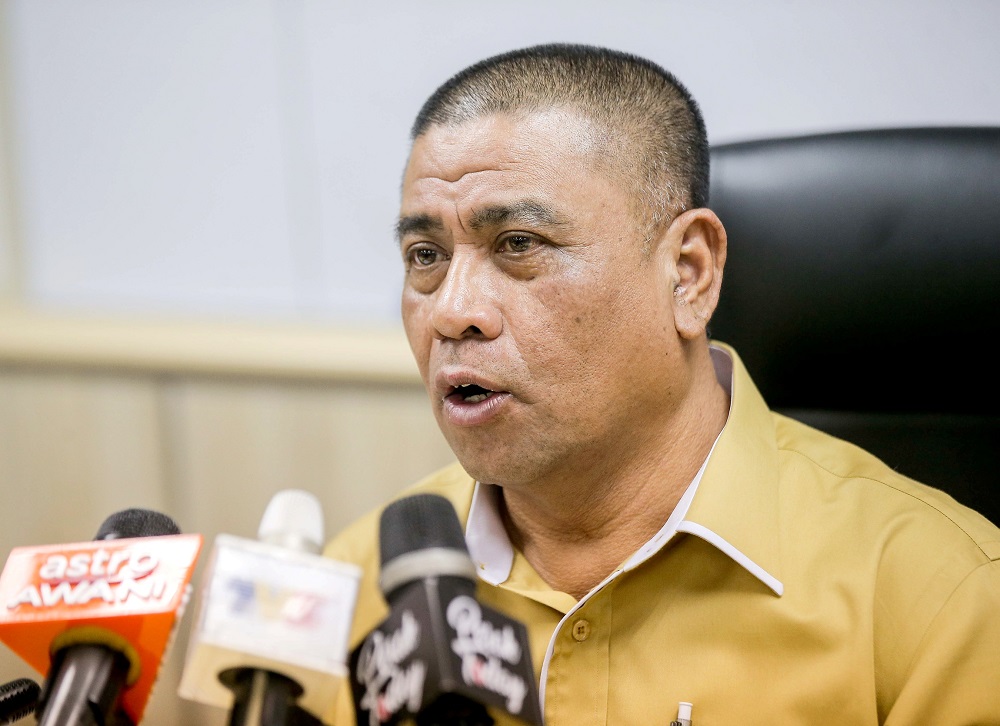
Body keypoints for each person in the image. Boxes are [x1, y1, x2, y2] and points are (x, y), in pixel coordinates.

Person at [325, 43, 1000, 724]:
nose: (451, 311)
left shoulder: (942, 600)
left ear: (689, 273)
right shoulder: (357, 591)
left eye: (519, 244)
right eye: (425, 257)